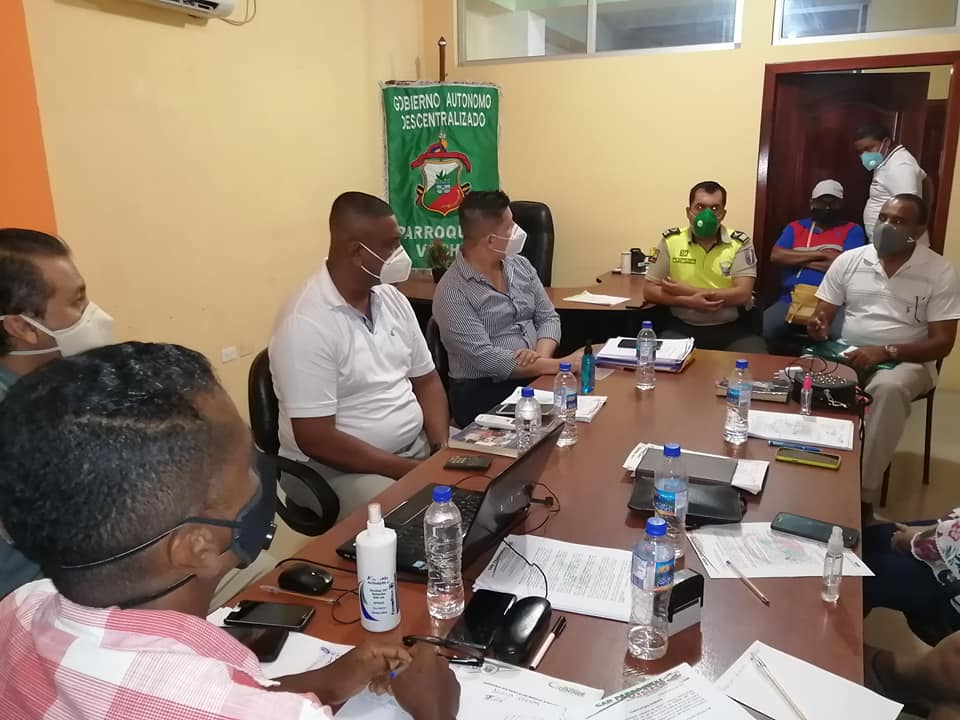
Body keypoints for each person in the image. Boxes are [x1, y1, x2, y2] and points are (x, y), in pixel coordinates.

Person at [0, 342, 460, 720]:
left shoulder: (20, 608)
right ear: (197, 545)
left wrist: (321, 682)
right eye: (246, 464)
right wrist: (436, 712)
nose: (260, 478)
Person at [270, 192, 449, 522]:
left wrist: (440, 449)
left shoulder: (392, 299)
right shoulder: (305, 323)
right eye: (391, 245)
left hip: (413, 451)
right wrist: (411, 470)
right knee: (415, 518)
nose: (401, 254)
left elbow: (427, 381)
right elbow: (316, 439)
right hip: (332, 468)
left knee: (481, 478)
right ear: (357, 252)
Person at [808, 194, 960, 517]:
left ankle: (859, 495)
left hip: (908, 361)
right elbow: (822, 316)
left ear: (919, 230)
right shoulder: (850, 261)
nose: (887, 226)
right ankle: (809, 473)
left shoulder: (940, 271)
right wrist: (818, 327)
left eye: (898, 221)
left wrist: (886, 351)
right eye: (883, 218)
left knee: (887, 389)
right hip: (848, 352)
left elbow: (943, 343)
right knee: (799, 375)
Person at [0, 228, 113, 600]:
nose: (93, 313)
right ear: (22, 327)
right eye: (77, 302)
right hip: (38, 603)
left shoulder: (54, 385)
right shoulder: (16, 423)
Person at [432, 190, 576, 427]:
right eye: (510, 227)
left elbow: (548, 317)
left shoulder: (520, 265)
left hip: (534, 375)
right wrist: (564, 365)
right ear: (491, 240)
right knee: (554, 427)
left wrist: (539, 358)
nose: (516, 231)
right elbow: (487, 359)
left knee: (577, 411)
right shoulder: (452, 291)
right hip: (483, 391)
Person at [644, 181, 767, 353]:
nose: (707, 215)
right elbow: (649, 290)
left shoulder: (740, 243)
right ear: (689, 212)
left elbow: (742, 294)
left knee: (756, 362)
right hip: (681, 328)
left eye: (715, 208)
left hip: (731, 329)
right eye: (700, 207)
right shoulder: (671, 241)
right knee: (659, 362)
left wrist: (687, 290)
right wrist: (687, 301)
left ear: (723, 214)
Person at [763, 179, 866, 344]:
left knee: (843, 336)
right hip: (792, 299)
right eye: (822, 202)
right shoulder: (795, 227)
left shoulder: (853, 230)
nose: (827, 207)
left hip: (833, 304)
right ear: (812, 203)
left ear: (841, 204)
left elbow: (847, 266)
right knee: (764, 327)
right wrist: (822, 254)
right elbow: (777, 256)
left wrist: (798, 258)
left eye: (832, 203)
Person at [863, 507, 960, 639]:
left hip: (953, 588)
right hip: (951, 537)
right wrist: (930, 530)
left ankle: (844, 645)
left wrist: (916, 540)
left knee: (862, 570)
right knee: (869, 538)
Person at [855, 123, 934, 243]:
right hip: (887, 242)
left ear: (886, 143)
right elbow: (926, 180)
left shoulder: (900, 165)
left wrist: (904, 243)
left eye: (869, 148)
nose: (864, 155)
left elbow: (909, 209)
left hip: (899, 244)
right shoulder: (887, 161)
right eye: (861, 151)